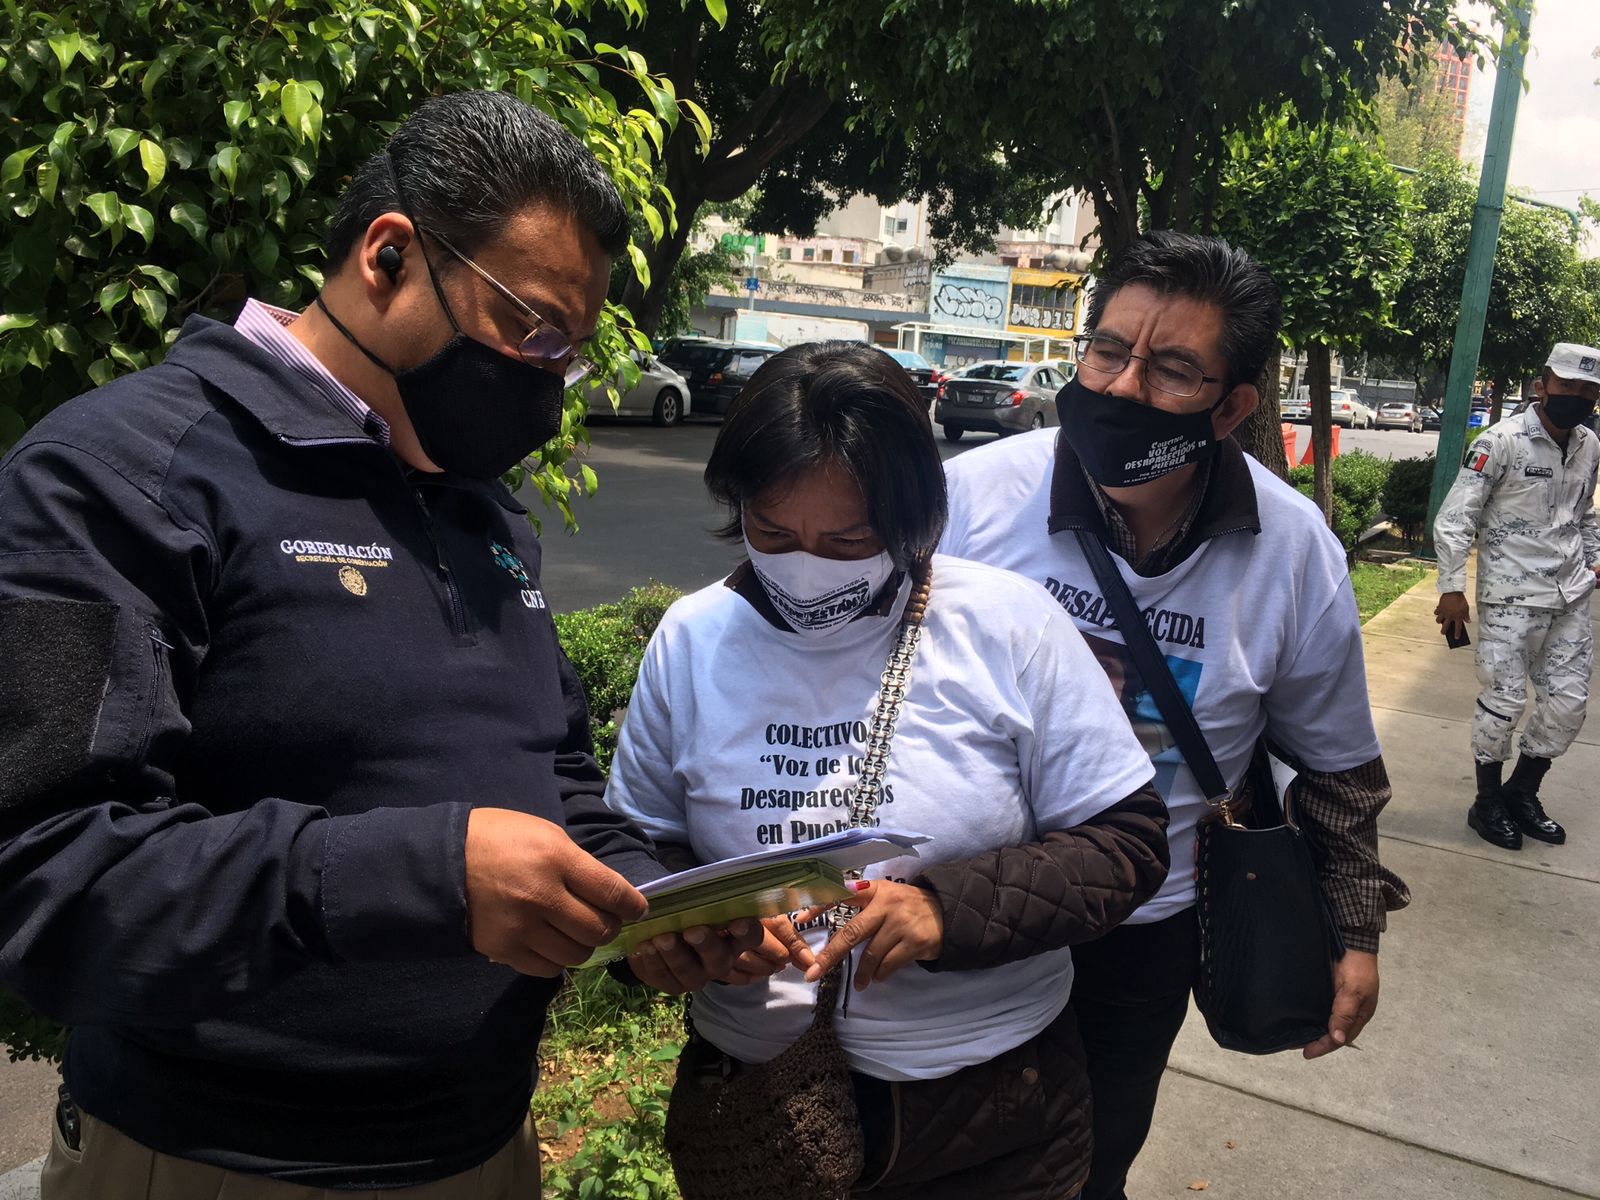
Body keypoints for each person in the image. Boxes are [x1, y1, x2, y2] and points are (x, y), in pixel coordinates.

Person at [0, 90, 753, 1199]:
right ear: (390, 254)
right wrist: (424, 873)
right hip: (220, 1163)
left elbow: (549, 768)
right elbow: (44, 871)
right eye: (530, 327)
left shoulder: (483, 511)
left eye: (571, 353)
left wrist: (646, 904)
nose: (547, 381)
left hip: (486, 1148)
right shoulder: (125, 474)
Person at [605, 341, 1172, 1199]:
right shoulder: (692, 638)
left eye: (849, 539)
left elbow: (1129, 844)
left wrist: (947, 908)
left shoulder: (1008, 626)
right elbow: (633, 846)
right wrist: (670, 938)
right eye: (773, 532)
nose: (806, 565)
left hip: (991, 1116)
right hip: (756, 1107)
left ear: (914, 520)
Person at [940, 231, 1411, 1200]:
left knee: (1089, 1165)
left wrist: (1354, 933)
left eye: (1170, 370)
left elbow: (1335, 771)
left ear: (1233, 407)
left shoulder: (1292, 555)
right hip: (957, 910)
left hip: (1135, 938)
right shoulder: (975, 501)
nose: (1118, 388)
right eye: (1107, 350)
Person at [1434, 342, 1600, 850]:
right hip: (1509, 595)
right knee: (1503, 702)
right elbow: (1455, 518)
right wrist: (1452, 589)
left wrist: (1594, 559)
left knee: (1569, 703)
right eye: (1567, 385)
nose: (1578, 396)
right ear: (1542, 385)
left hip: (1570, 593)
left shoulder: (1590, 444)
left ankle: (1522, 791)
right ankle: (1485, 802)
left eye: (1588, 390)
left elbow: (1585, 511)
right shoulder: (1500, 442)